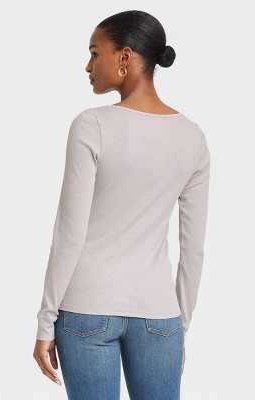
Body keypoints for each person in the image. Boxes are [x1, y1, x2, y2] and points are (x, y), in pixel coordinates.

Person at [33, 9, 210, 400]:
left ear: (125, 57)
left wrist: (46, 321)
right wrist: (178, 327)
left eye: (95, 53)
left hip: (86, 307)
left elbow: (69, 233)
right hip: (159, 315)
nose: (88, 66)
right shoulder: (192, 137)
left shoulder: (92, 124)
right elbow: (193, 248)